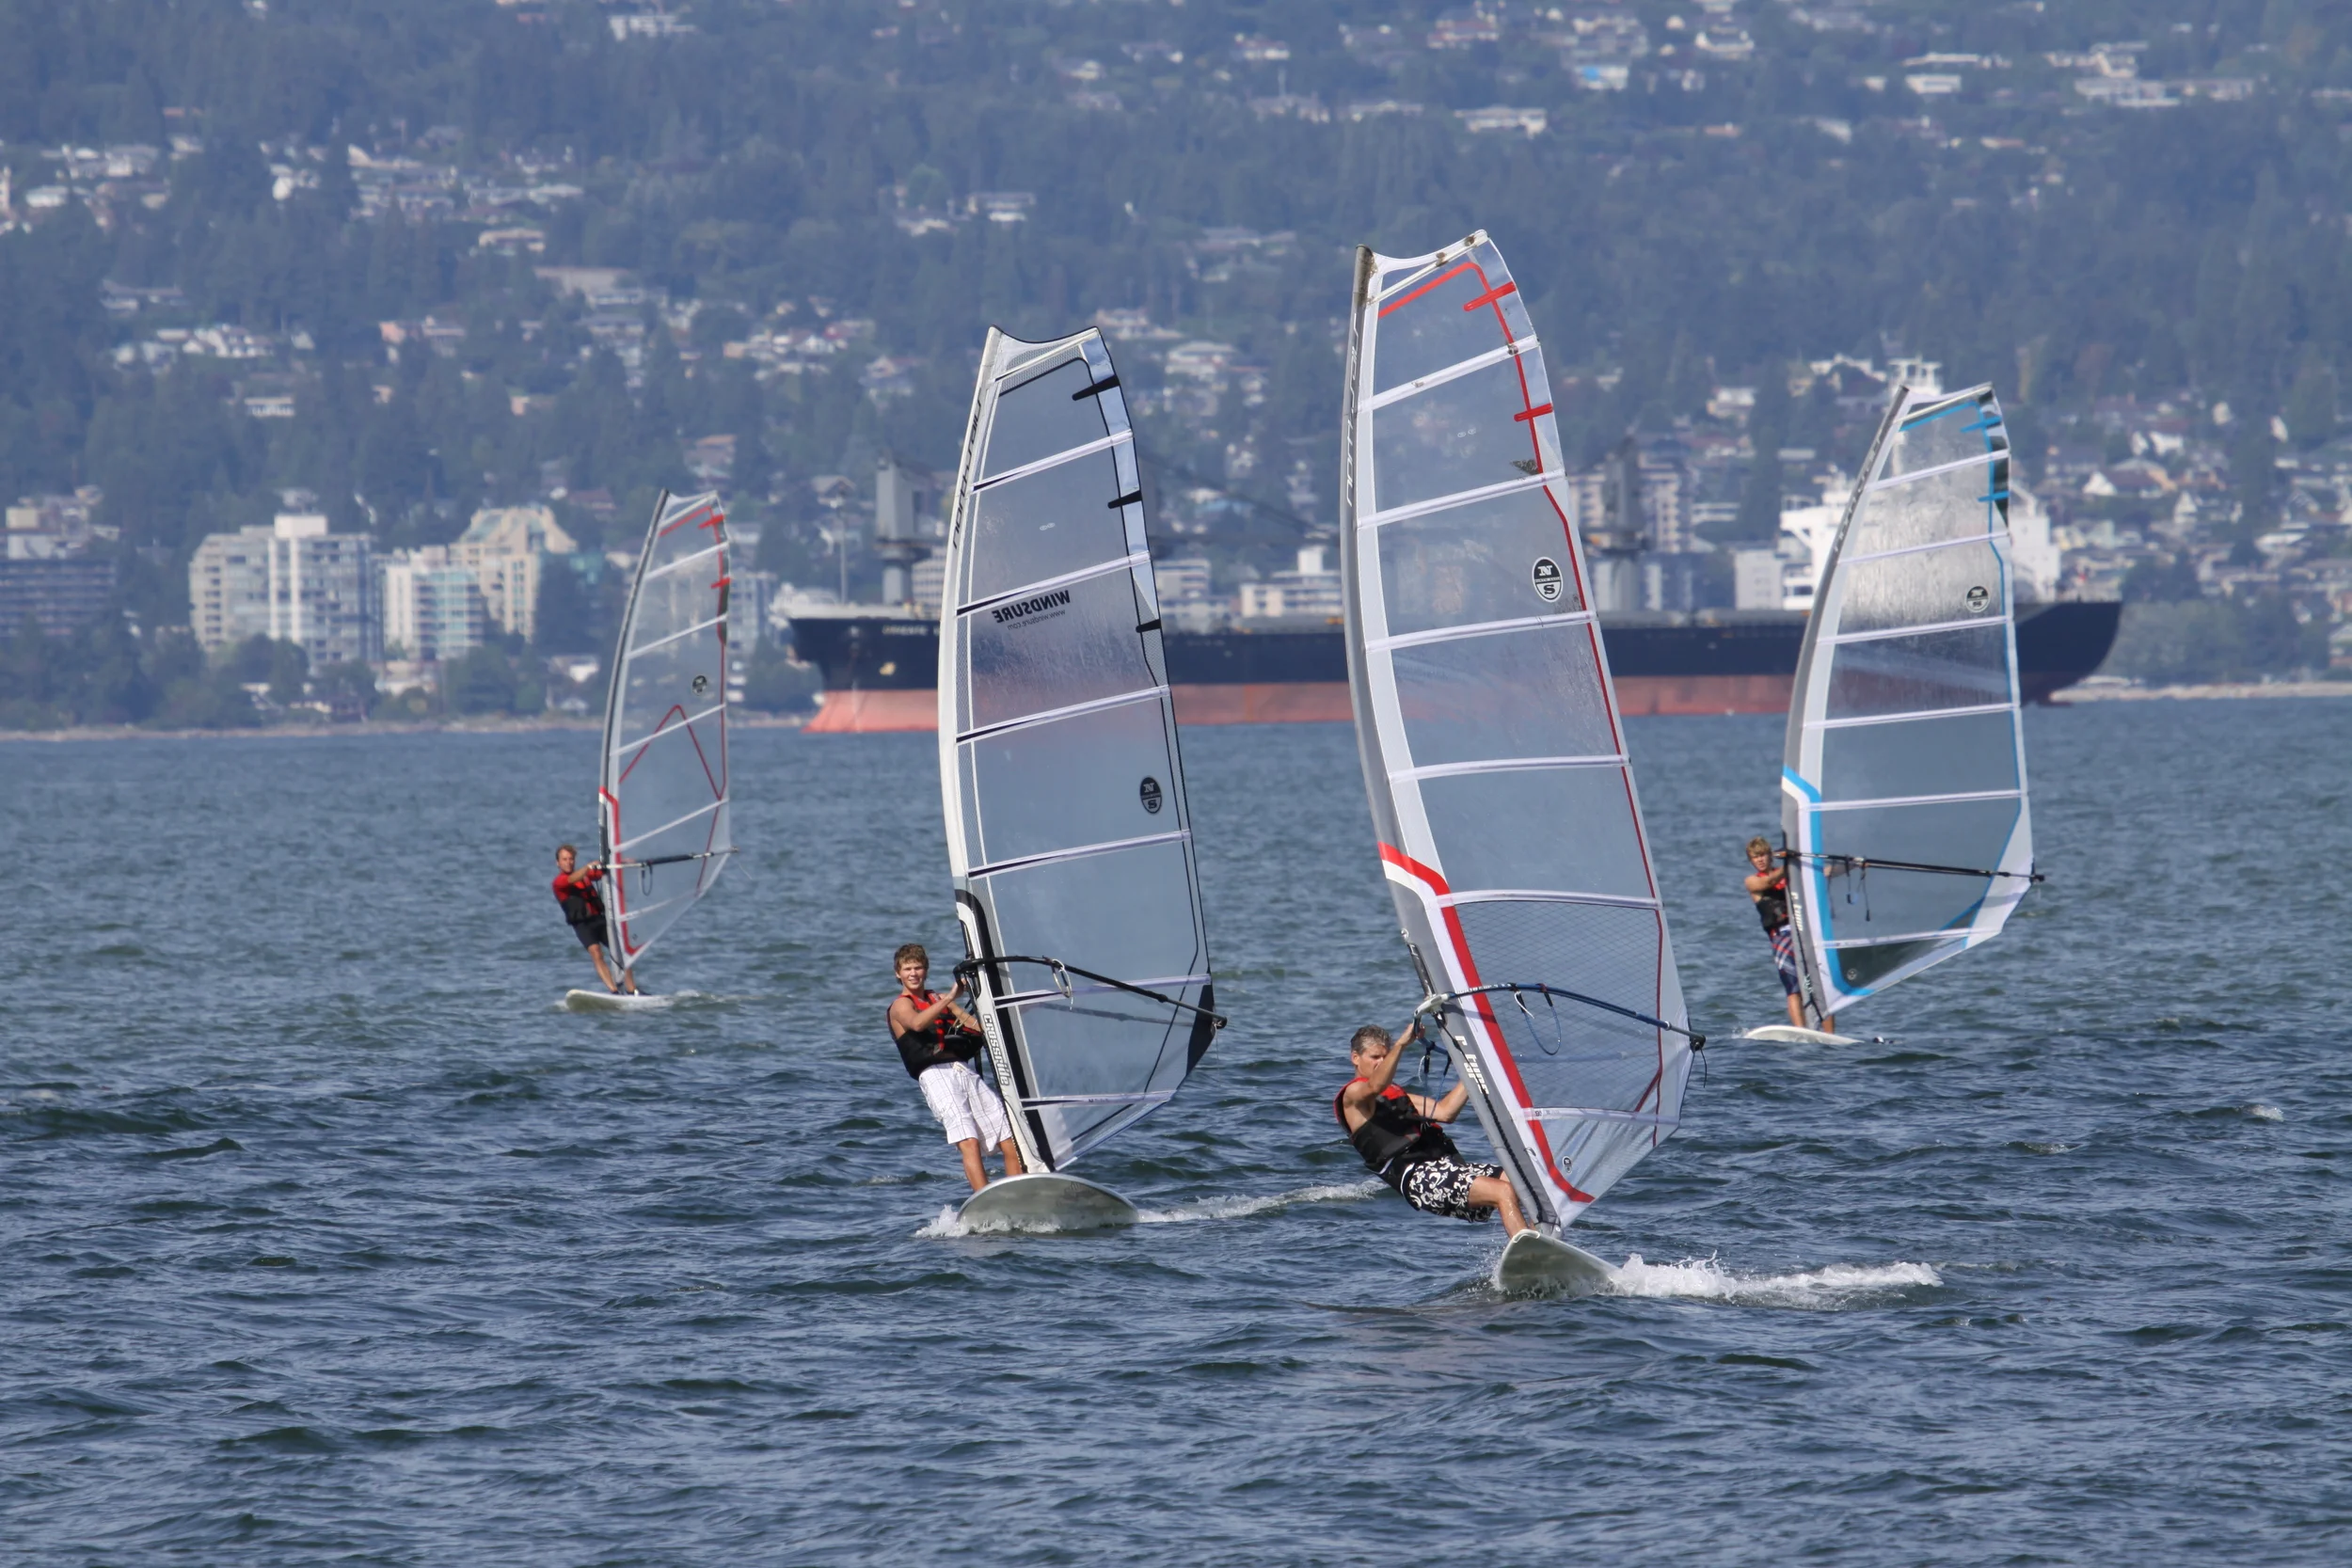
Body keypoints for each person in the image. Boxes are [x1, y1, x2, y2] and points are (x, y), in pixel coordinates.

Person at [1334, 1021, 1531, 1236]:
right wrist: (1401, 1045)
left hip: (1445, 1167)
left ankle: (1542, 1240)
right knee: (1502, 1191)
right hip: (1417, 1178)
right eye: (1375, 1057)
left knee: (1521, 1181)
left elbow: (1446, 1112)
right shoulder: (1352, 1096)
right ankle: (1530, 1254)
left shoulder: (1396, 1096)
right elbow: (1374, 1086)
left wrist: (1477, 1067)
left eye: (1385, 1055)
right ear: (1355, 1058)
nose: (1382, 1062)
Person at [888, 943, 1026, 1192]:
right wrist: (951, 997)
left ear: (926, 970)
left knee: (1010, 1136)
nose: (913, 973)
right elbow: (918, 1024)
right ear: (898, 973)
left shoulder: (938, 999)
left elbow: (977, 1027)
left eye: (918, 967)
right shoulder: (901, 1006)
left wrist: (1013, 1010)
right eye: (907, 969)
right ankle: (985, 1197)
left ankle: (1016, 1193)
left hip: (961, 1070)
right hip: (934, 1075)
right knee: (969, 1139)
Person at [1744, 836, 1831, 1033]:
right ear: (1751, 860)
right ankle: (1801, 1031)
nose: (1760, 860)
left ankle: (1830, 1034)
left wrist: (1851, 866)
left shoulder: (1790, 873)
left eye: (1763, 855)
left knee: (1821, 986)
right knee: (1793, 989)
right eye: (1755, 857)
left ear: (1770, 855)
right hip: (1781, 937)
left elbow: (1823, 873)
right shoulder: (1752, 882)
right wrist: (1790, 862)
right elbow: (1769, 882)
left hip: (1804, 934)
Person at [552, 844, 637, 995]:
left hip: (599, 920)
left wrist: (621, 863)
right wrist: (589, 866)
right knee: (596, 952)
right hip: (582, 925)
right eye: (564, 859)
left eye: (571, 859)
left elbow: (604, 871)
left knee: (622, 953)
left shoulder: (585, 876)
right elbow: (572, 878)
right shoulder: (559, 882)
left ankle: (632, 990)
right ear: (558, 863)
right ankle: (614, 991)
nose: (568, 862)